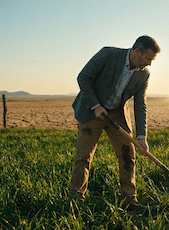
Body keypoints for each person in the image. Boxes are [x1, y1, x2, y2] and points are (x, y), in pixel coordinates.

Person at [69, 35, 160, 208]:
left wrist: (142, 137)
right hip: (91, 111)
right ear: (136, 52)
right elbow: (83, 77)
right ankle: (76, 200)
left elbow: (140, 106)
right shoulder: (108, 54)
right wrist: (95, 106)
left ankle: (129, 200)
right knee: (83, 157)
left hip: (117, 114)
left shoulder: (144, 75)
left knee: (128, 155)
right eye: (148, 58)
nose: (149, 63)